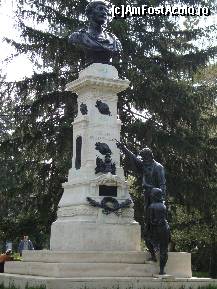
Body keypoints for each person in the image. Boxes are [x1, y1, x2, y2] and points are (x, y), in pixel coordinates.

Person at [116, 142, 166, 212]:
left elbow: (162, 183)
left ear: (149, 156)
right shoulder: (144, 164)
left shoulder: (158, 167)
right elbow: (133, 157)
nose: (142, 160)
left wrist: (162, 198)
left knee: (155, 212)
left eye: (144, 158)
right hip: (147, 192)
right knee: (147, 211)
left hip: (155, 194)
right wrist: (123, 148)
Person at [69, 1, 122, 66]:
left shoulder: (114, 40)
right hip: (90, 71)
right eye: (100, 9)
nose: (104, 13)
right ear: (90, 14)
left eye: (106, 10)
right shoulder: (78, 37)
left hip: (107, 72)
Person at [146, 188, 170, 275]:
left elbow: (150, 221)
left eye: (152, 195)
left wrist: (147, 230)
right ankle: (162, 270)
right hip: (165, 228)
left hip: (157, 229)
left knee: (148, 241)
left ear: (154, 196)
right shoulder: (164, 206)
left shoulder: (151, 206)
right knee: (164, 250)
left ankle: (153, 256)